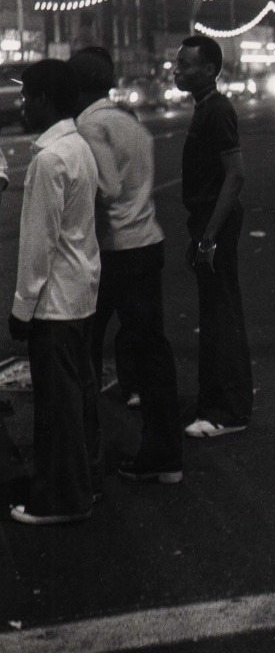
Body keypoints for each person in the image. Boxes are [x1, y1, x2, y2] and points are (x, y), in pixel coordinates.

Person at [69, 47, 182, 484]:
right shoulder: (126, 120)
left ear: (77, 88)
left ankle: (83, 453)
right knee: (151, 350)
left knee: (84, 348)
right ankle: (165, 454)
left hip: (114, 250)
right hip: (147, 241)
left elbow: (109, 187)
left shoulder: (89, 124)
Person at [8, 60, 102, 524]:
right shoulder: (77, 146)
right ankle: (80, 484)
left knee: (57, 407)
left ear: (45, 100)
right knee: (75, 399)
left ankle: (64, 499)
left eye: (27, 97)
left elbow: (38, 242)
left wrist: (22, 308)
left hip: (55, 301)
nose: (23, 105)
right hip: (79, 292)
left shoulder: (49, 159)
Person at [174, 35, 253, 438]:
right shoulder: (204, 107)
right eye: (177, 63)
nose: (176, 70)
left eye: (186, 65)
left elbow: (235, 175)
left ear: (209, 70)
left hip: (215, 224)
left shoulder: (217, 110)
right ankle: (220, 402)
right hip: (207, 223)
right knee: (217, 314)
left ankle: (228, 412)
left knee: (222, 316)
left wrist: (209, 237)